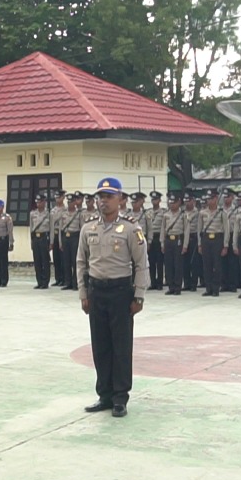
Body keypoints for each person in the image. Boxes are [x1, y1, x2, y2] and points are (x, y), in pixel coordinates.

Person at [78, 178, 148, 418]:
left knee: (120, 346)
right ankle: (104, 395)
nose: (103, 201)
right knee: (100, 345)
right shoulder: (88, 227)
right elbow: (81, 262)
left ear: (120, 199)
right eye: (101, 196)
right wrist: (83, 293)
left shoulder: (131, 228)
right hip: (96, 292)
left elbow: (141, 264)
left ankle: (120, 397)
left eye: (109, 196)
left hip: (120, 292)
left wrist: (138, 295)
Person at [196, 191, 230, 296]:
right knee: (207, 265)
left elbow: (226, 229)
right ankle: (208, 288)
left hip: (217, 239)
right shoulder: (202, 213)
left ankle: (216, 288)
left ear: (216, 199)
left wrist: (225, 245)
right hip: (206, 239)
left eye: (211, 198)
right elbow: (199, 229)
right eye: (208, 199)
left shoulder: (222, 212)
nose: (209, 201)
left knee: (217, 265)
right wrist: (199, 244)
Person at [158, 191, 189, 296]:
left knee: (178, 264)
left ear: (179, 203)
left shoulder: (183, 215)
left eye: (174, 202)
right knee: (168, 264)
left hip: (178, 240)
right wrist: (162, 243)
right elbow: (163, 230)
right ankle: (170, 286)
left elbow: (186, 231)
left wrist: (185, 245)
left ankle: (177, 287)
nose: (172, 204)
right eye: (170, 202)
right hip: (168, 241)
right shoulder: (166, 215)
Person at [59, 193, 86, 291]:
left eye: (72, 202)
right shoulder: (63, 213)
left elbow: (82, 228)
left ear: (75, 202)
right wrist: (60, 242)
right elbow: (61, 229)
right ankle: (68, 282)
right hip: (65, 237)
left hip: (75, 237)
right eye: (68, 202)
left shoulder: (79, 214)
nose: (70, 204)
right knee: (66, 261)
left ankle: (76, 283)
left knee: (75, 261)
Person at [29, 194, 53, 289]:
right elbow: (31, 228)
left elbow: (51, 229)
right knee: (37, 260)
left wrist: (51, 242)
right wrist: (31, 240)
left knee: (45, 260)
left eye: (40, 202)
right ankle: (39, 281)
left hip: (44, 238)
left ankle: (45, 282)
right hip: (35, 238)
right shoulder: (32, 214)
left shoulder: (48, 214)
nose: (38, 204)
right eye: (37, 202)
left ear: (44, 202)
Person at [144, 191, 165, 290]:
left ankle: (160, 283)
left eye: (156, 199)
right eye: (152, 199)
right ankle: (153, 282)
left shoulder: (163, 213)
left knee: (159, 262)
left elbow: (164, 227)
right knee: (151, 262)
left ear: (160, 200)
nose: (154, 201)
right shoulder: (148, 212)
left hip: (159, 237)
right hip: (150, 239)